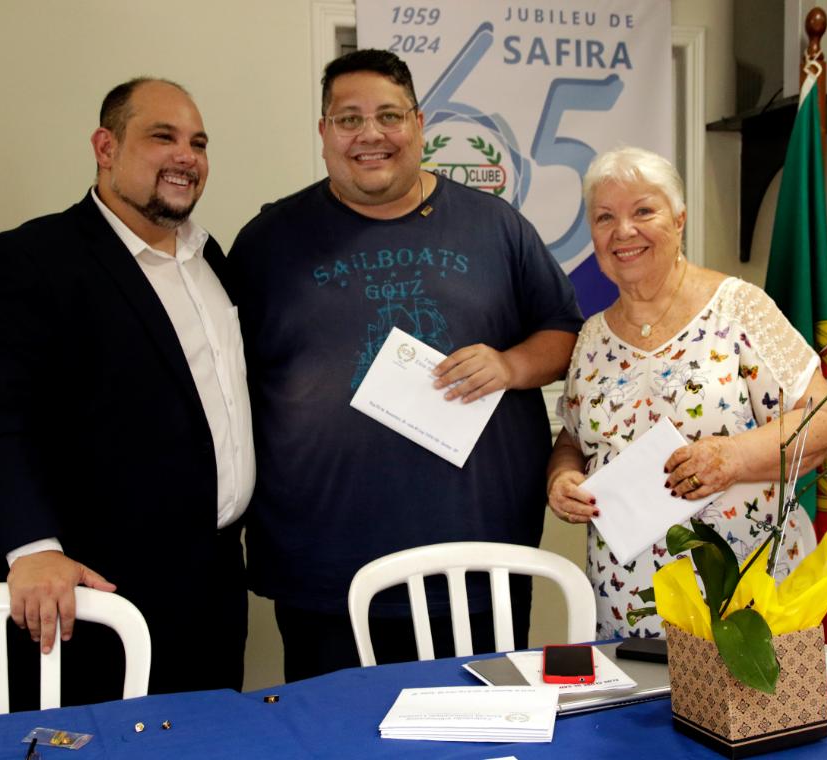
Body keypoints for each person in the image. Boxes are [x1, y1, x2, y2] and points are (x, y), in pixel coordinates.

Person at [226, 49, 582, 681]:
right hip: (324, 568)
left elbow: (564, 333)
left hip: (476, 563)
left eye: (389, 116)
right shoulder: (267, 242)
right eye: (349, 119)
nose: (370, 134)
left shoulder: (495, 227)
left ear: (418, 124)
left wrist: (510, 364)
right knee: (334, 730)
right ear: (324, 132)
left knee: (480, 727)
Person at [0, 77, 254, 705]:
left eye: (198, 143)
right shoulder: (31, 259)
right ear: (106, 147)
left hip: (215, 585)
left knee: (209, 743)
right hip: (96, 595)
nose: (186, 156)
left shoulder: (210, 259)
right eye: (163, 137)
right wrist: (34, 548)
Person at [546, 147, 827, 640]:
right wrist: (561, 479)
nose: (624, 231)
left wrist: (732, 457)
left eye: (644, 210)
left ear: (679, 219)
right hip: (626, 606)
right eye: (605, 217)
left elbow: (826, 416)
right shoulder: (592, 336)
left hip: (742, 605)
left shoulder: (739, 308)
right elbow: (574, 440)